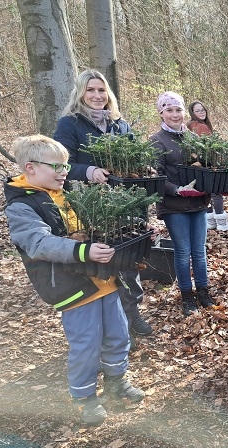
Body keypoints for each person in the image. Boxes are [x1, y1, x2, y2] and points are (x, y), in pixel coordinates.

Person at [4, 135, 144, 426]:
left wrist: (133, 231)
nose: (64, 172)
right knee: (86, 344)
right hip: (72, 288)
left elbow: (98, 224)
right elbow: (39, 243)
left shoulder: (68, 193)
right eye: (56, 166)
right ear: (30, 167)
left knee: (118, 334)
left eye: (66, 166)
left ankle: (117, 382)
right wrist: (83, 250)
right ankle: (84, 397)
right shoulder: (22, 206)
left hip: (105, 279)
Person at [54, 69, 153, 338]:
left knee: (131, 260)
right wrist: (88, 171)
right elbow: (59, 163)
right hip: (94, 208)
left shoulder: (119, 124)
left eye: (101, 90)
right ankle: (116, 327)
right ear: (81, 93)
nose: (97, 95)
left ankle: (134, 315)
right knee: (106, 263)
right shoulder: (70, 124)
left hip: (127, 205)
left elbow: (134, 159)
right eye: (91, 90)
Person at [151, 91, 215, 316]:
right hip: (174, 205)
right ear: (161, 113)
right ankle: (187, 295)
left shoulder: (193, 138)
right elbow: (156, 176)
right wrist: (177, 189)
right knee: (183, 251)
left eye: (178, 109)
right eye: (169, 110)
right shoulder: (157, 141)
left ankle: (203, 290)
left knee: (199, 251)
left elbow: (204, 166)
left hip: (197, 202)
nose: (175, 114)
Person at [186, 100, 228, 233]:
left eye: (203, 110)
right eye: (198, 110)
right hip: (206, 162)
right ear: (192, 113)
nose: (201, 112)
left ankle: (210, 221)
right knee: (215, 190)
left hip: (196, 163)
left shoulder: (191, 125)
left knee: (206, 190)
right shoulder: (200, 126)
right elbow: (210, 147)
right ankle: (221, 222)